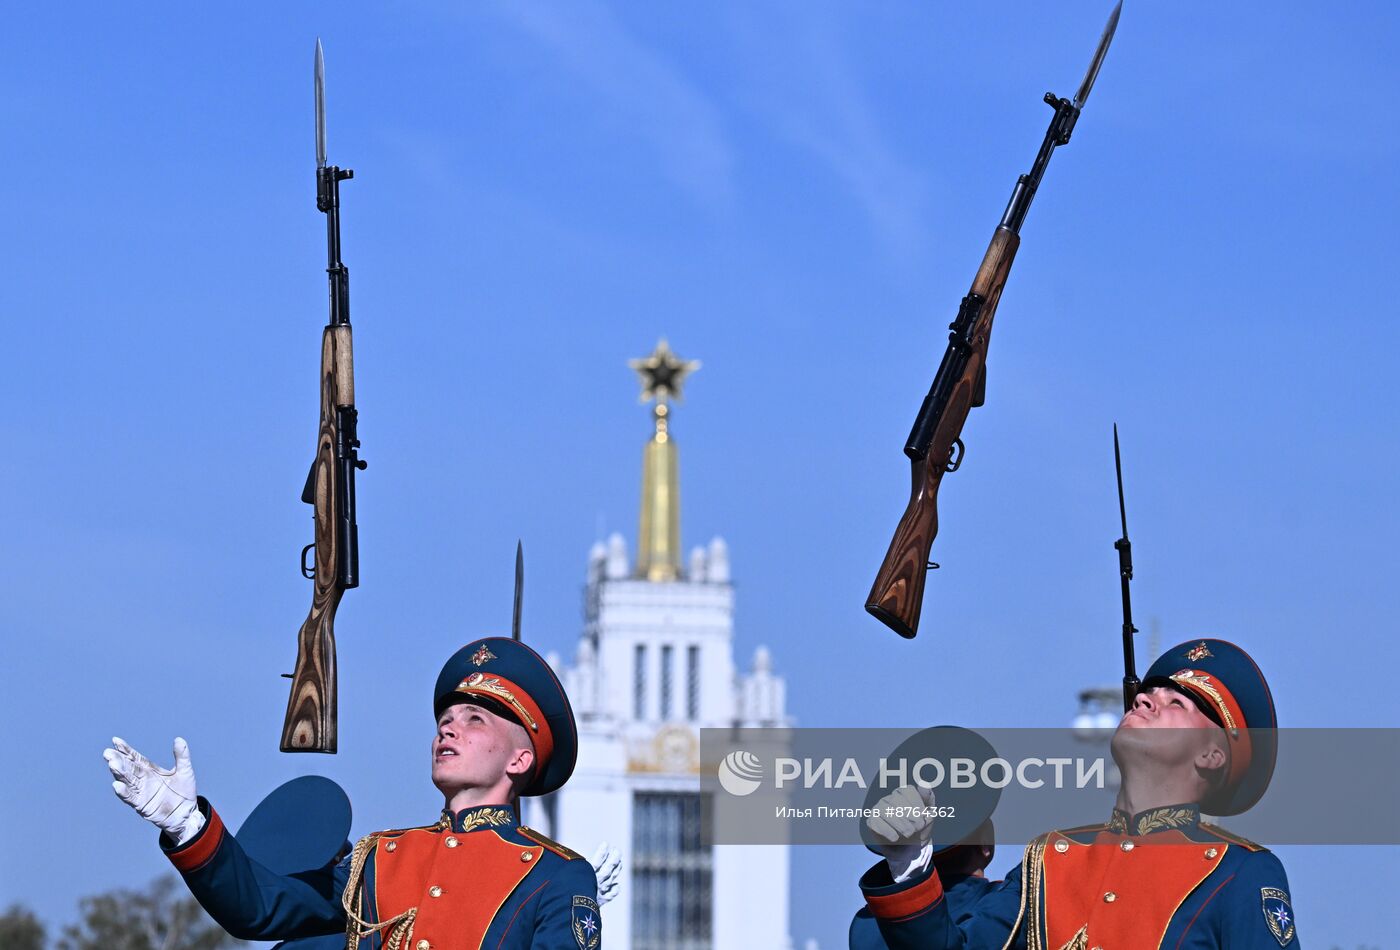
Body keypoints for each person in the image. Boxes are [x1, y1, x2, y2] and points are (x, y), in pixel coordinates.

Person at [106, 637, 618, 949]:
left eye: (474, 720)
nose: (448, 730)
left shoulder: (554, 874)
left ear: (519, 759)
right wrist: (183, 822)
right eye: (445, 720)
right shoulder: (378, 860)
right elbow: (259, 908)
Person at [856, 639, 1298, 948]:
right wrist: (909, 860)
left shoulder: (1240, 873)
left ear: (1212, 756)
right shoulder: (1049, 860)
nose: (1145, 700)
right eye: (1147, 693)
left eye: (1176, 703)